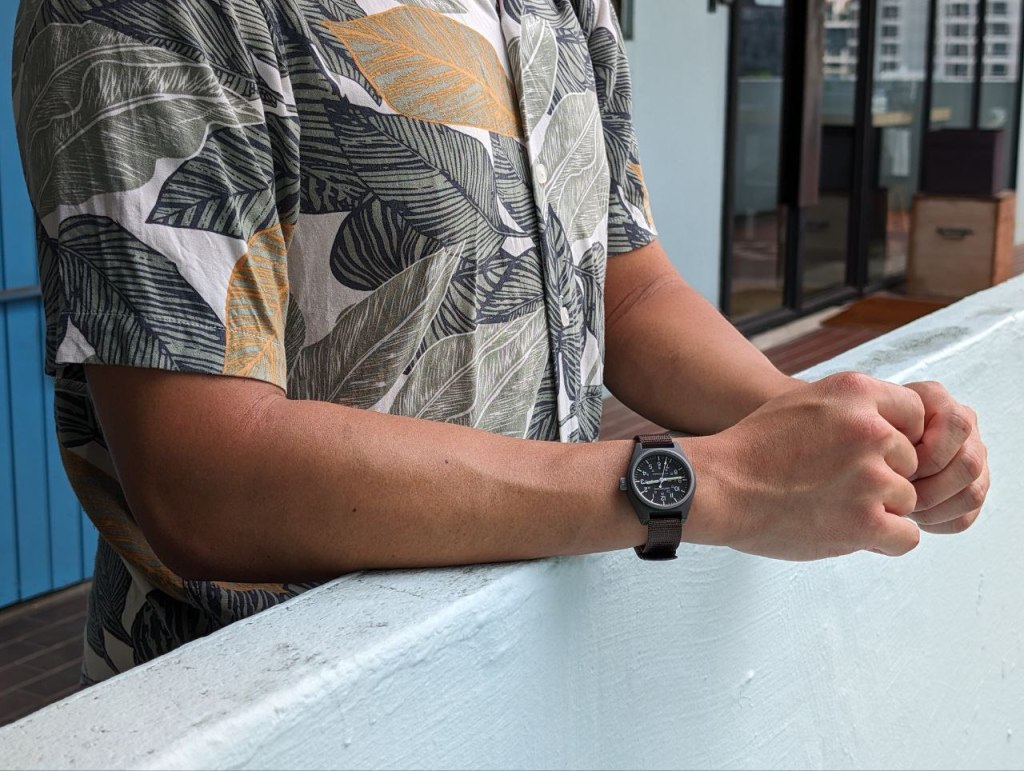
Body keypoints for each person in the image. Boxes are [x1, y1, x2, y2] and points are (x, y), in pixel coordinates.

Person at [13, 0, 989, 685]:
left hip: (529, 658)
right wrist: (707, 484)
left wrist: (834, 435)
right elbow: (205, 475)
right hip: (267, 699)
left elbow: (627, 285)